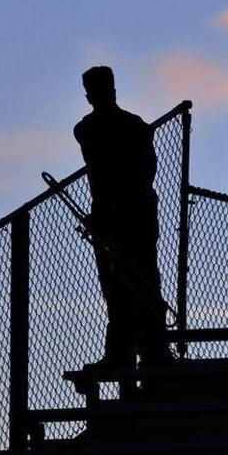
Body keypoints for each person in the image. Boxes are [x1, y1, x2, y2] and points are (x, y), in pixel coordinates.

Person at [74, 66, 170, 371]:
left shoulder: (114, 128)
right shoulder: (119, 127)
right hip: (117, 215)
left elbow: (142, 173)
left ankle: (149, 349)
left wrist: (116, 202)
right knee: (121, 283)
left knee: (137, 280)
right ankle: (134, 350)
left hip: (131, 214)